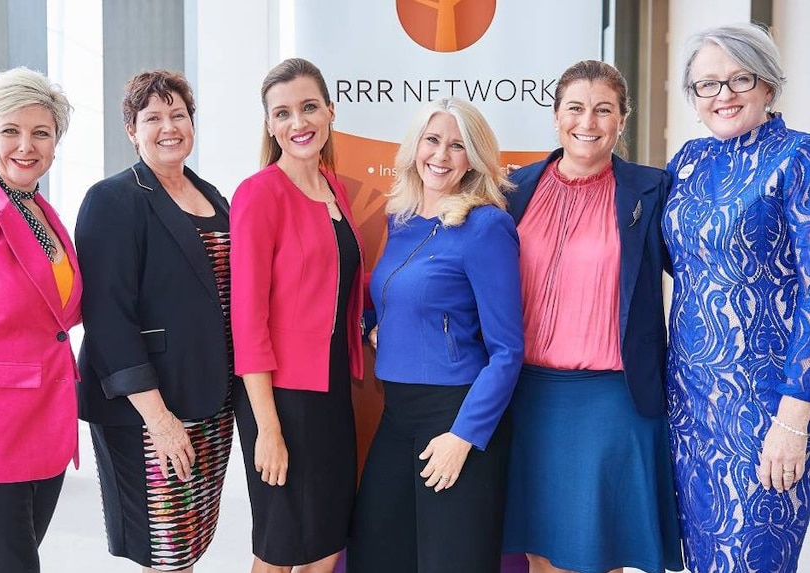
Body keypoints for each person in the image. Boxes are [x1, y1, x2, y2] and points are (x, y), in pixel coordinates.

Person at [501, 60, 683, 573]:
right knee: (540, 554)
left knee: (598, 553)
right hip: (530, 398)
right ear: (556, 117)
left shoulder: (653, 192)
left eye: (604, 110)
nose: (589, 121)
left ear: (621, 121)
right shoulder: (513, 192)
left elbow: (702, 269)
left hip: (614, 398)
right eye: (576, 108)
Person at [346, 97, 523, 573]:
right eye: (433, 140)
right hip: (398, 416)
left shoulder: (486, 226)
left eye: (457, 146)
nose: (441, 155)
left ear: (474, 159)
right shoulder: (400, 220)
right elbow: (386, 293)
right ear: (415, 147)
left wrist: (463, 436)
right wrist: (373, 325)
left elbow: (508, 351)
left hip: (455, 416)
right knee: (376, 557)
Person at [663, 23, 810, 573]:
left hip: (765, 410)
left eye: (738, 79)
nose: (722, 95)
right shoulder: (690, 162)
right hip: (689, 407)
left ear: (768, 85)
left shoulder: (799, 158)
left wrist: (794, 419)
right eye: (706, 84)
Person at [75, 70, 233, 573]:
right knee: (162, 551)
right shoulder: (113, 199)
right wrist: (160, 420)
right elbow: (107, 319)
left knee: (189, 543)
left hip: (211, 399)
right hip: (150, 409)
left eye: (179, 115)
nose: (169, 127)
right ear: (131, 130)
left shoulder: (215, 198)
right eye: (154, 117)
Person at [229, 57, 365, 573]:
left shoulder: (337, 189)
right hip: (280, 396)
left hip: (332, 390)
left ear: (330, 112)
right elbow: (247, 318)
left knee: (327, 540)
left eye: (309, 107)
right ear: (270, 124)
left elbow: (338, 281)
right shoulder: (258, 194)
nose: (298, 122)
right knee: (281, 544)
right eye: (282, 113)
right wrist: (268, 427)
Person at [0, 67, 81, 572]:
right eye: (11, 131)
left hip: (45, 436)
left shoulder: (46, 215)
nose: (26, 146)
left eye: (41, 133)